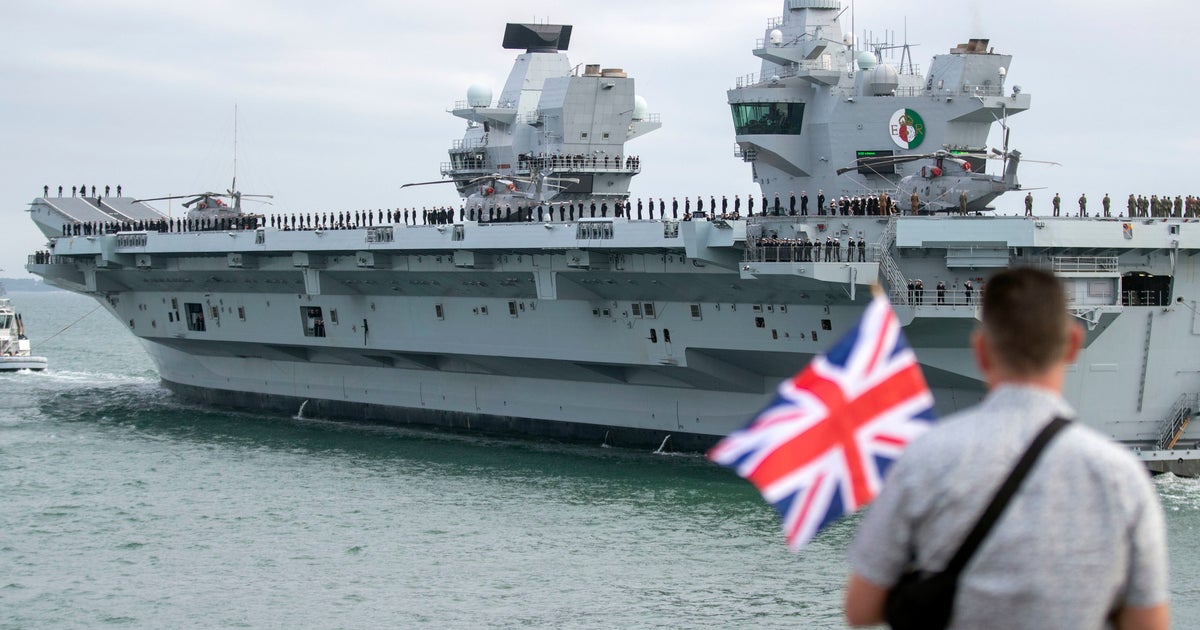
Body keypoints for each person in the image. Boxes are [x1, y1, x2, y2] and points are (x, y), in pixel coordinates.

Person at [844, 267, 1169, 630]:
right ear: (1074, 344)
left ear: (981, 349)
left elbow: (860, 609)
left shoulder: (924, 458)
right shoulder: (1123, 476)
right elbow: (1148, 623)